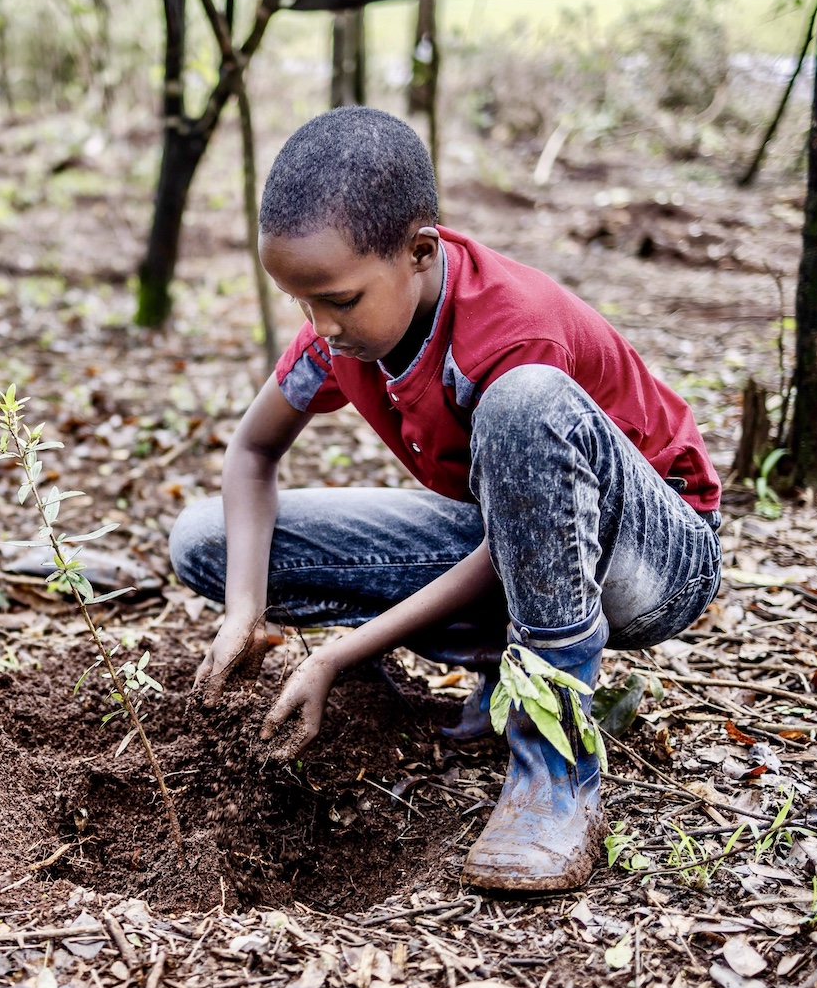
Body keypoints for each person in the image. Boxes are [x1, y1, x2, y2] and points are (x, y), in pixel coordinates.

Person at [169, 107, 722, 892]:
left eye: (339, 300)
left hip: (658, 553)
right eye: (302, 304)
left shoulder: (509, 331)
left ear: (421, 251)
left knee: (525, 404)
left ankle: (554, 760)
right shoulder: (344, 329)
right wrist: (242, 613)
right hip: (519, 535)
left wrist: (342, 650)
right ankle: (501, 668)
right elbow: (253, 453)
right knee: (208, 540)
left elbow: (521, 537)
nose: (321, 326)